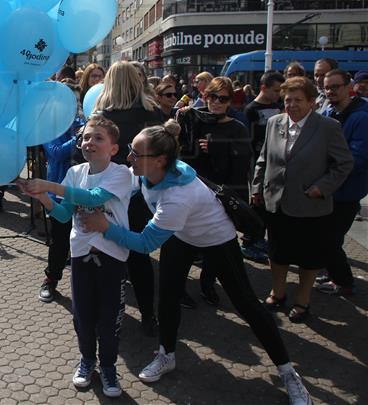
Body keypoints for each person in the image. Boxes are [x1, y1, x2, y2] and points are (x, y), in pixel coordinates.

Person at [82, 121, 314, 405]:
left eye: (135, 153)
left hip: (217, 239)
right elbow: (120, 189)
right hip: (182, 235)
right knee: (167, 297)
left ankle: (288, 373)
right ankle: (167, 355)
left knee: (247, 306)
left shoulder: (178, 196)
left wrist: (105, 227)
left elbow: (144, 244)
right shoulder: (146, 172)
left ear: (160, 160)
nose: (129, 157)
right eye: (130, 150)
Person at [19, 115, 136, 397]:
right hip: (81, 257)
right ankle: (87, 360)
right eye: (85, 137)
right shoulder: (74, 173)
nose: (89, 142)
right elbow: (64, 215)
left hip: (111, 259)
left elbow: (94, 198)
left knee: (109, 318)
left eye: (98, 138)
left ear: (113, 148)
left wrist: (49, 186)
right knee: (82, 316)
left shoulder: (121, 174)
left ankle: (108, 366)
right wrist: (43, 198)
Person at [252, 77, 352, 323]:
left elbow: (344, 163)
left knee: (309, 258)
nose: (292, 105)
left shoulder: (327, 127)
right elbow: (263, 159)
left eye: (298, 100)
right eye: (287, 100)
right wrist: (256, 188)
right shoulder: (275, 122)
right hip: (276, 201)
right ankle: (278, 292)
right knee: (278, 253)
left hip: (310, 205)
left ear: (311, 101)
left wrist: (322, 187)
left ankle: (303, 300)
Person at [92, 61, 163, 335]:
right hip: (140, 192)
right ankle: (148, 314)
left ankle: (109, 314)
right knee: (138, 254)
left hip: (108, 192)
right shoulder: (152, 112)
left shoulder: (101, 117)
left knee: (106, 253)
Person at [176, 77, 251, 306]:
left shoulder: (237, 127)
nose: (217, 103)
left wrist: (218, 146)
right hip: (195, 191)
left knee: (216, 245)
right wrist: (180, 117)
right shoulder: (194, 119)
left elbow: (242, 163)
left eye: (223, 98)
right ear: (205, 96)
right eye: (212, 97)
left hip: (222, 192)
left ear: (230, 100)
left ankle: (208, 284)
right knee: (187, 242)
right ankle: (180, 288)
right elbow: (180, 149)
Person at [317, 70, 368, 296]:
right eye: (328, 87)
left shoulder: (361, 117)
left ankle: (344, 282)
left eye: (335, 86)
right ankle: (333, 273)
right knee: (328, 237)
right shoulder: (330, 111)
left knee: (329, 239)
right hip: (329, 190)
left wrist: (325, 174)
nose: (330, 91)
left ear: (349, 87)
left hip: (346, 191)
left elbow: (356, 160)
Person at [37, 103, 85, 303]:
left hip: (83, 188)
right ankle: (51, 279)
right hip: (59, 190)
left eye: (75, 103)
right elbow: (55, 152)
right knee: (60, 239)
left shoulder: (83, 124)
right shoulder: (49, 128)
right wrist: (79, 138)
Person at [241, 71, 285, 263]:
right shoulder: (250, 110)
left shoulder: (279, 107)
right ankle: (249, 241)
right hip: (256, 162)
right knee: (255, 201)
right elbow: (246, 141)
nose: (279, 94)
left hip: (275, 163)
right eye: (276, 90)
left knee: (268, 205)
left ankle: (259, 238)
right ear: (263, 88)